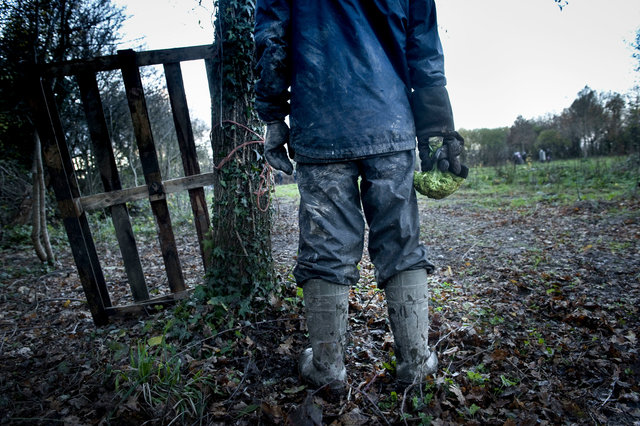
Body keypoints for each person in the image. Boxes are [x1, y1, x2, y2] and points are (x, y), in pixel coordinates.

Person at [254, 0, 462, 391]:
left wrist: (272, 116)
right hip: (391, 120)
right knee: (401, 239)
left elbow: (272, 37)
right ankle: (416, 362)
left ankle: (328, 369)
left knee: (325, 244)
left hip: (319, 121)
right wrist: (436, 126)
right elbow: (425, 46)